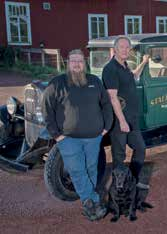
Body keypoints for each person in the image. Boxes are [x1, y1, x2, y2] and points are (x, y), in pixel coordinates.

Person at [42, 49, 113, 221]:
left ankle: (91, 199)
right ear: (68, 63)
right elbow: (46, 109)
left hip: (93, 137)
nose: (76, 64)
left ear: (85, 63)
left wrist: (106, 127)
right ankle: (91, 202)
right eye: (73, 60)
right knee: (77, 170)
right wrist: (56, 135)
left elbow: (106, 104)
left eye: (80, 60)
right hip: (68, 139)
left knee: (91, 168)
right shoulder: (57, 83)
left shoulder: (94, 81)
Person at [102, 36, 149, 182]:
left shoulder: (125, 65)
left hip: (132, 119)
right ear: (115, 49)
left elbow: (134, 75)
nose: (125, 49)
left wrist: (144, 62)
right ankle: (118, 187)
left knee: (140, 148)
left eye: (127, 47)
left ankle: (132, 179)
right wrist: (122, 121)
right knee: (119, 156)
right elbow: (112, 97)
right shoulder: (110, 69)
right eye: (122, 47)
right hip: (119, 120)